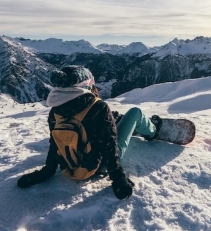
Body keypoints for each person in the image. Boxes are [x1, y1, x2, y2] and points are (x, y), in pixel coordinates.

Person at [17, 65, 162, 200]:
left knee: (110, 122)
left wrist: (47, 171)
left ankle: (118, 121)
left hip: (69, 166)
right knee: (135, 112)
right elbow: (109, 143)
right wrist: (118, 178)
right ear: (86, 85)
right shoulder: (98, 107)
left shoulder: (55, 111)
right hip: (100, 163)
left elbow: (55, 143)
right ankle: (153, 132)